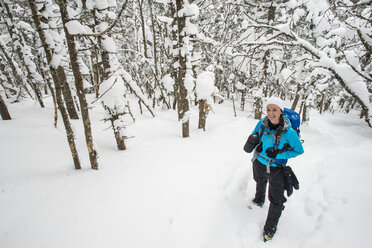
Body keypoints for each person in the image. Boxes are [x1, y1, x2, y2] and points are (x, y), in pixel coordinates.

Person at [244, 96, 304, 242]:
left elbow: (299, 150)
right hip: (259, 160)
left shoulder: (289, 132)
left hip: (277, 166)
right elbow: (255, 135)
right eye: (268, 109)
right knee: (259, 180)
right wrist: (255, 143)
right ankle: (259, 199)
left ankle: (269, 229)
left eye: (274, 110)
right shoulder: (262, 123)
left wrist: (280, 153)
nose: (271, 113)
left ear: (281, 111)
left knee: (276, 199)